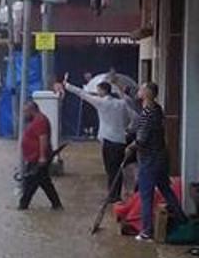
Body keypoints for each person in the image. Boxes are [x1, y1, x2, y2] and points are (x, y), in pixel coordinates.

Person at [57, 72, 138, 202]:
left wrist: (67, 85)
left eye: (98, 90)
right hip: (121, 140)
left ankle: (113, 196)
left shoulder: (101, 103)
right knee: (117, 169)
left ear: (103, 91)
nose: (97, 92)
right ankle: (115, 195)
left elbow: (82, 94)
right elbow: (136, 118)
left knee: (110, 170)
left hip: (108, 142)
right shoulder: (122, 103)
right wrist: (128, 130)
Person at [126, 81, 188, 241]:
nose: (138, 91)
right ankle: (182, 220)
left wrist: (130, 147)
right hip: (160, 157)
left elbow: (142, 138)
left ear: (147, 93)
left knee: (146, 195)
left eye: (141, 89)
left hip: (150, 159)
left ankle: (146, 231)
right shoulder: (157, 109)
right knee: (165, 189)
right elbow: (133, 97)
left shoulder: (147, 113)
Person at [19, 101, 63, 210]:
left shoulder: (40, 121)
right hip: (35, 157)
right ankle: (57, 205)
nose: (24, 114)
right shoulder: (36, 120)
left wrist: (42, 156)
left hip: (37, 158)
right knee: (44, 182)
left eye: (25, 112)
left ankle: (22, 206)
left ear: (31, 110)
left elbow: (43, 138)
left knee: (31, 184)